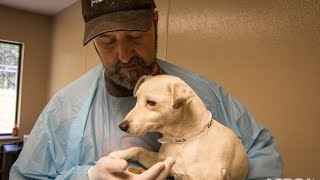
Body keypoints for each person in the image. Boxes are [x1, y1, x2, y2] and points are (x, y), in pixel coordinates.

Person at [10, 0, 283, 179]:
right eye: (106, 41)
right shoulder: (65, 107)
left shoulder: (204, 93)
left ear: (154, 23)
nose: (125, 55)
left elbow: (261, 152)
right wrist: (89, 177)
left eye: (134, 37)